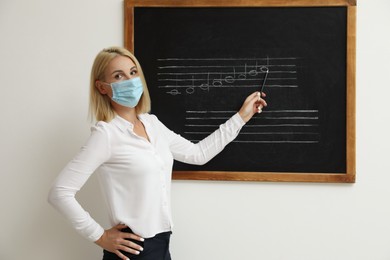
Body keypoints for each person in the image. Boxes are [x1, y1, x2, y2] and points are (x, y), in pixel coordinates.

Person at [48, 46, 267, 260]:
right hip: (131, 250)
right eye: (119, 76)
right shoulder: (106, 135)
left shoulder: (152, 124)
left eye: (133, 73)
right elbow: (60, 193)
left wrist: (241, 117)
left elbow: (198, 154)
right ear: (102, 87)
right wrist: (100, 236)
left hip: (162, 244)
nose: (130, 80)